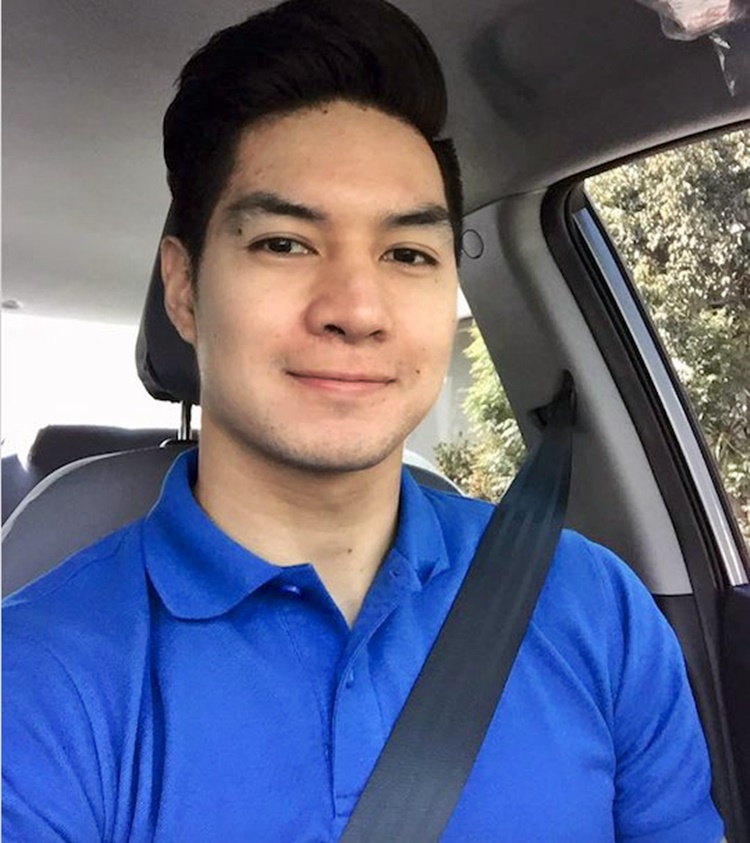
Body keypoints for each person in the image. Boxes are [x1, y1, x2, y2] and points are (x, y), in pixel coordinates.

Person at [2, 1, 724, 840]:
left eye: (408, 253)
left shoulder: (596, 607)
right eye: (284, 242)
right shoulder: (38, 677)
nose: (356, 309)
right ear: (185, 288)